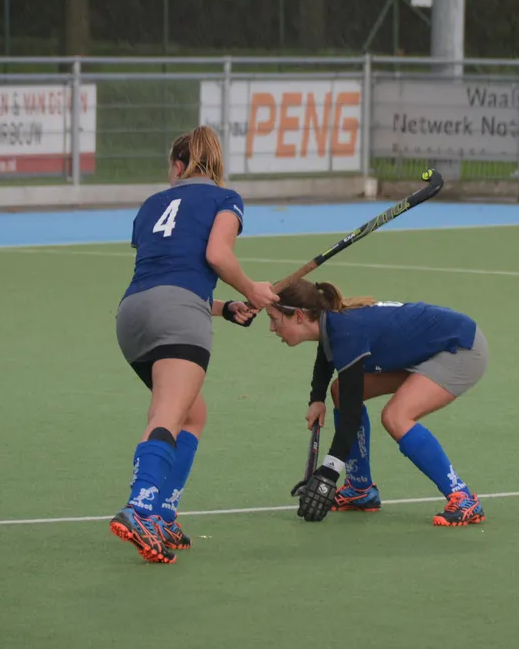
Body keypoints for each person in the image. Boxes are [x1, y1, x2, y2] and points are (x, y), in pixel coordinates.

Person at [110, 126, 279, 564]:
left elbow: (167, 271)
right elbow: (216, 256)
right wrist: (252, 289)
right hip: (180, 316)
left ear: (179, 166)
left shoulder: (152, 204)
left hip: (132, 314)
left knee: (192, 413)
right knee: (169, 413)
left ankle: (163, 513)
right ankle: (141, 508)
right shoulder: (226, 199)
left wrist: (226, 308)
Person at [266, 280, 488, 527]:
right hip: (427, 350)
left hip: (460, 349)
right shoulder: (333, 325)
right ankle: (360, 489)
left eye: (274, 319)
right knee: (340, 391)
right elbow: (327, 353)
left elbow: (350, 416)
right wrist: (317, 399)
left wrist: (329, 472)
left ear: (298, 316)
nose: (271, 328)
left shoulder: (347, 332)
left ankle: (463, 497)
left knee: (396, 416)